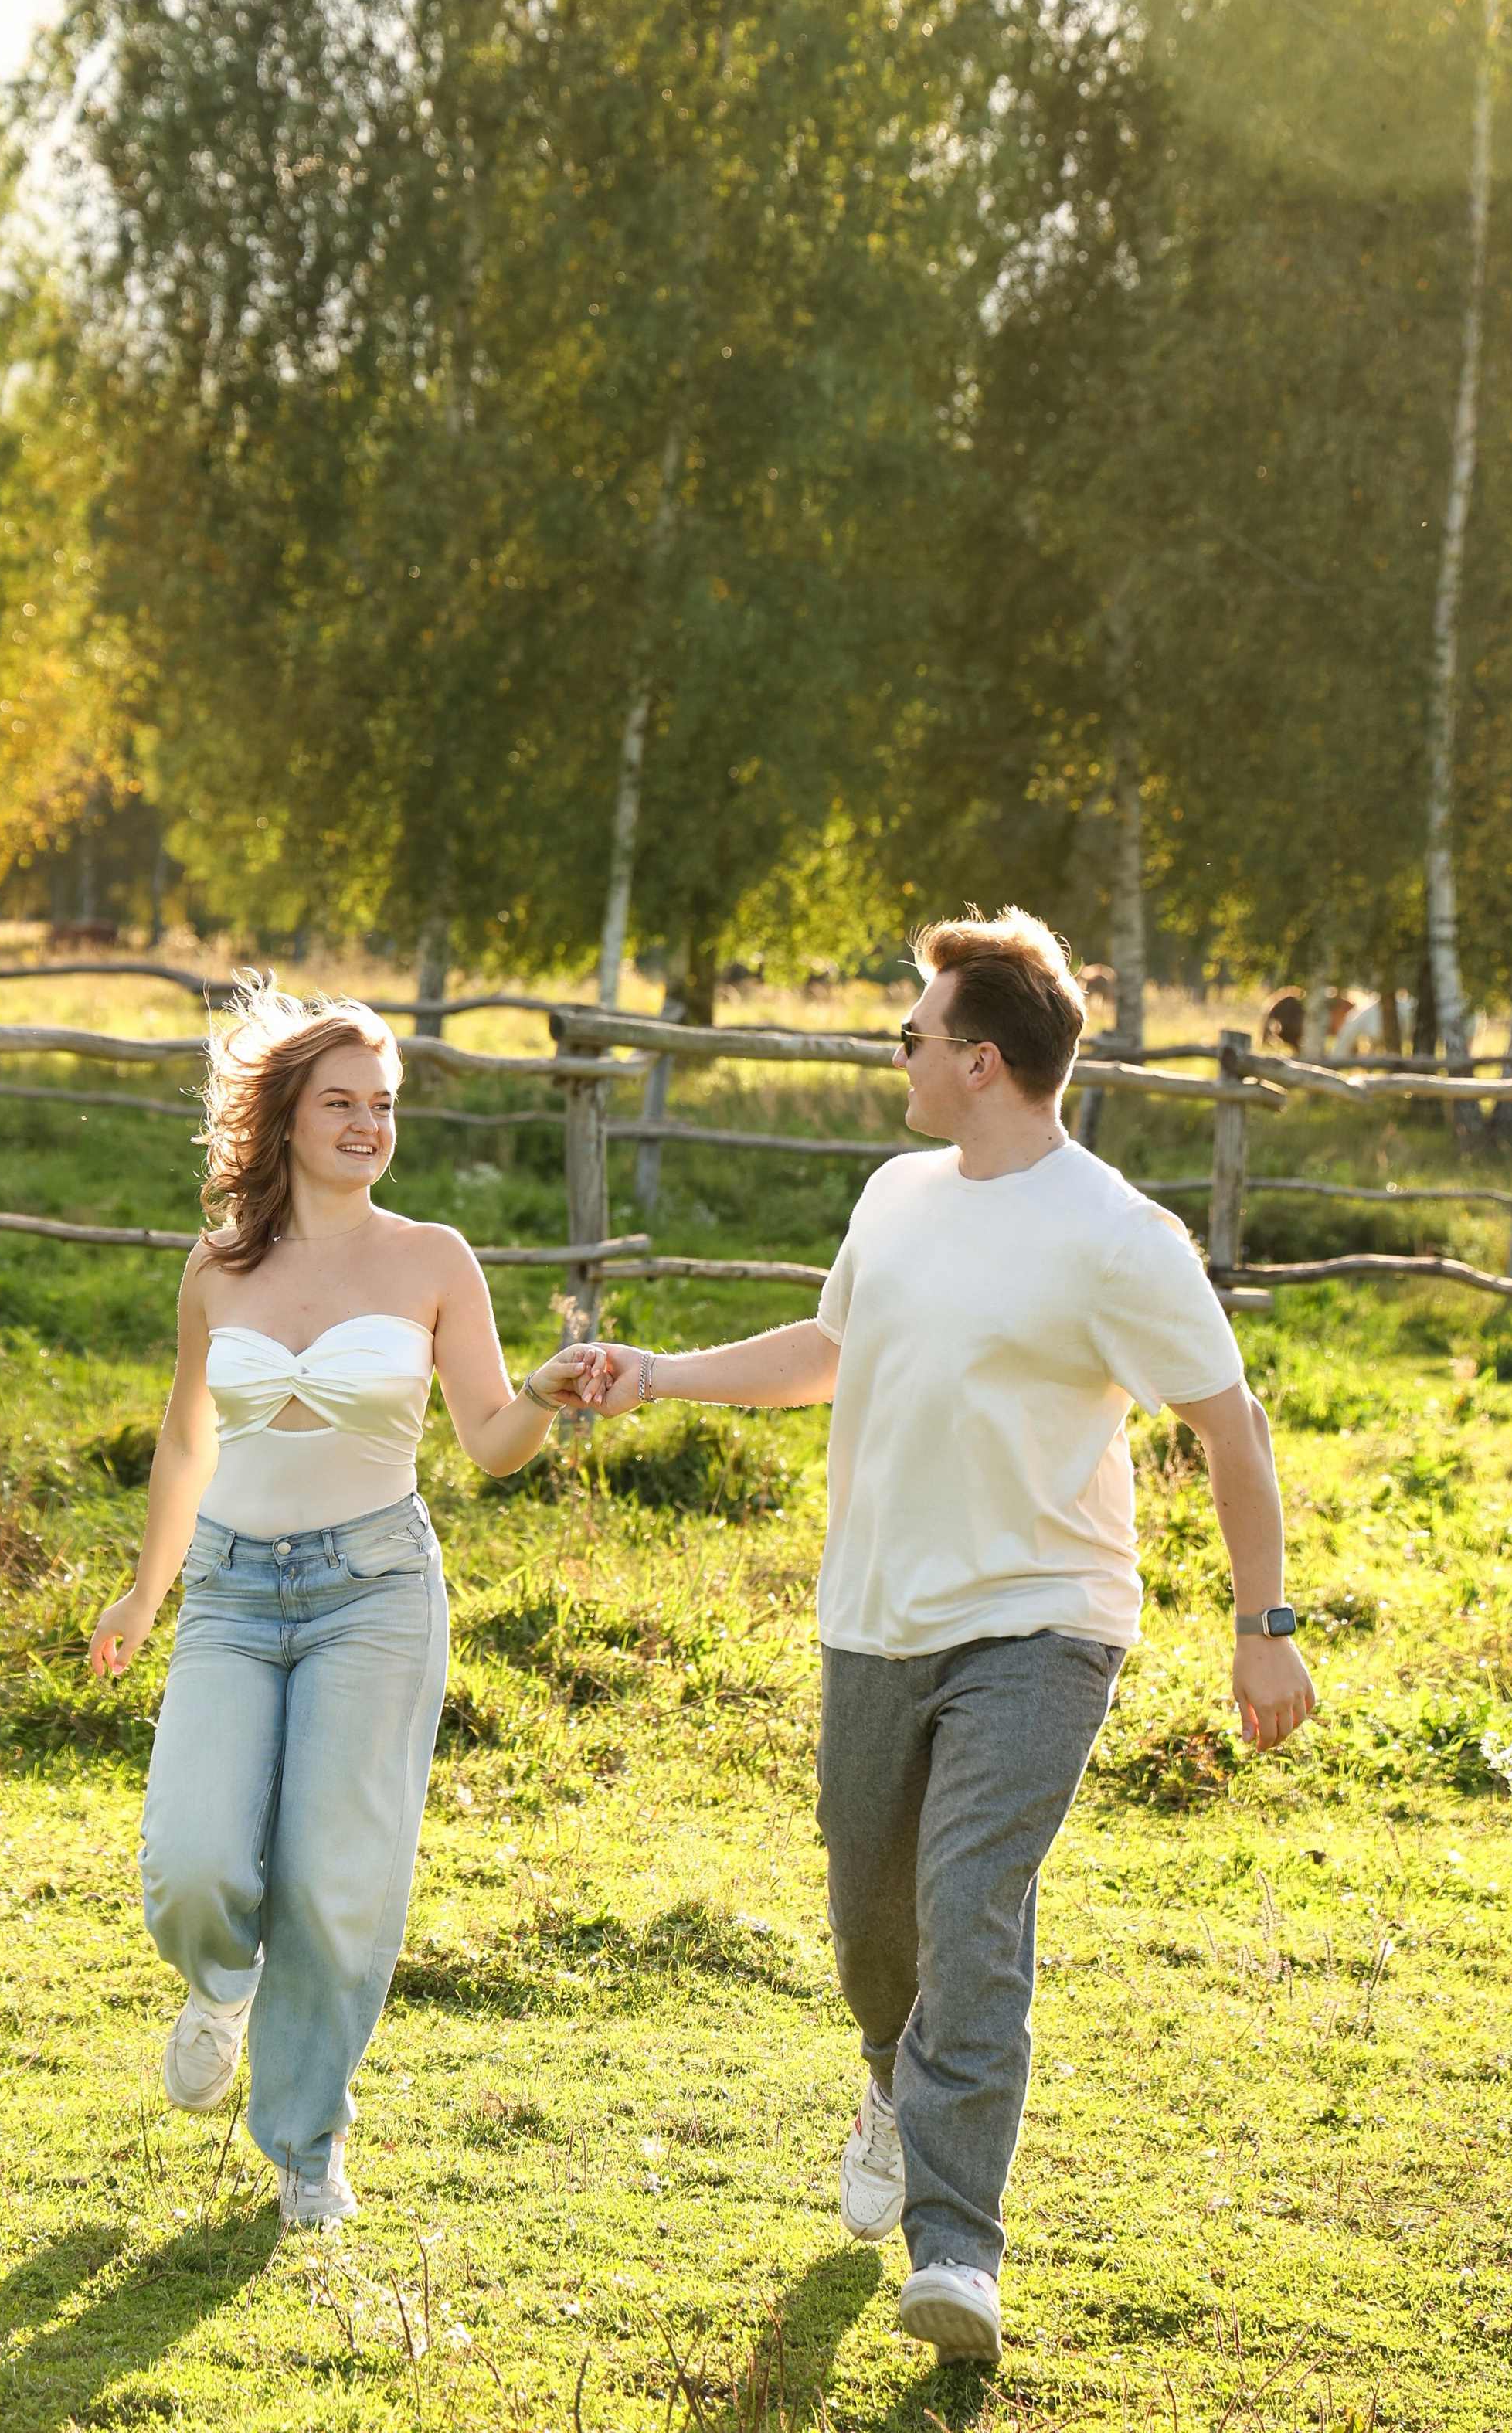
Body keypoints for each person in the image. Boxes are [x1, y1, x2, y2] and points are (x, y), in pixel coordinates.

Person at [569, 909, 1316, 2367]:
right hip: (875, 1619)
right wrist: (651, 1373)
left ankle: (959, 2249)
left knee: (972, 1906)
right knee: (873, 1928)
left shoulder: (1119, 1237)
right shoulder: (896, 1196)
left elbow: (1230, 1426)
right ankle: (889, 2082)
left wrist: (1262, 1624)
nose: (893, 1055)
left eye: (909, 1034)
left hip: (1044, 1623)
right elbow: (828, 1354)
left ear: (981, 1059)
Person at [87, 982, 591, 2227]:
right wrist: (147, 1590)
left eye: (385, 1106)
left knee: (333, 1878)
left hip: (376, 1591)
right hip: (232, 1590)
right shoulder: (220, 1266)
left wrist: (541, 1388)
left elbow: (486, 1441)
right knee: (194, 1860)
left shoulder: (433, 1260)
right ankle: (219, 1988)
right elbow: (185, 1440)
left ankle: (307, 2149)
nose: (369, 1126)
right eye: (342, 1103)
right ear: (285, 1117)